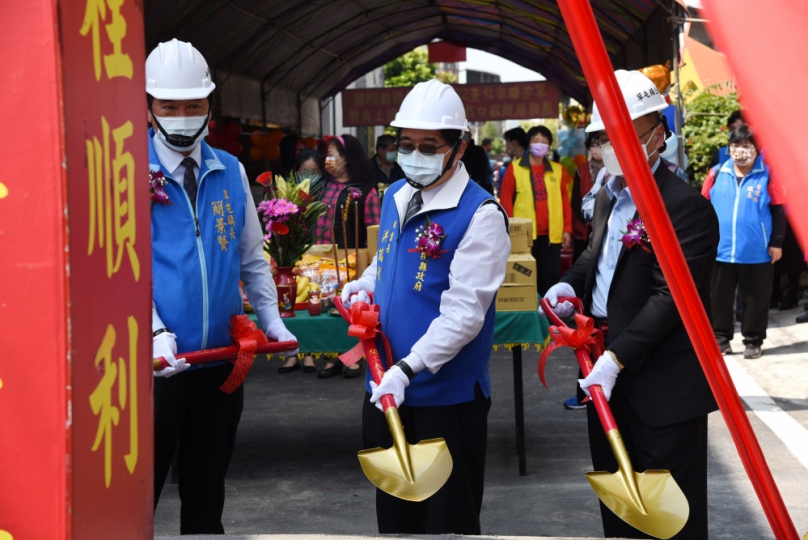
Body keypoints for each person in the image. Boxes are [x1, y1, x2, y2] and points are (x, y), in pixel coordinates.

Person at [542, 69, 719, 539]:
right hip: (604, 375)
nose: (611, 149)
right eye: (604, 138)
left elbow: (672, 297)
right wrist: (569, 285)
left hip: (662, 386)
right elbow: (594, 256)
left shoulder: (685, 207)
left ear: (657, 135)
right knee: (620, 510)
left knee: (671, 518)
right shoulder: (605, 195)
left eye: (626, 136)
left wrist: (617, 358)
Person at [340, 79, 510, 534]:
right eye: (406, 144)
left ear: (459, 147)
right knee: (395, 517)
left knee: (447, 520)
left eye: (429, 145)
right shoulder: (397, 195)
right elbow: (387, 259)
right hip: (385, 386)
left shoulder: (481, 214)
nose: (414, 154)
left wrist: (409, 369)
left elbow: (464, 314)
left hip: (444, 396)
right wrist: (364, 285)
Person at [146, 39, 297, 534]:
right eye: (170, 106)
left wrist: (271, 318)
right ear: (148, 107)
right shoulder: (123, 171)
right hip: (154, 368)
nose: (183, 116)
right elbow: (112, 267)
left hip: (220, 363)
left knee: (206, 492)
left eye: (194, 105)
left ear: (210, 106)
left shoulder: (229, 170)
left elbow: (252, 256)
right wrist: (150, 331)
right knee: (135, 497)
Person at [702, 125, 786, 359]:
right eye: (736, 145)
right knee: (719, 298)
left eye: (747, 146)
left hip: (757, 250)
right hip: (721, 250)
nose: (741, 151)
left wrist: (777, 242)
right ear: (729, 148)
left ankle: (753, 340)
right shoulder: (717, 173)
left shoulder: (769, 174)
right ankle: (721, 339)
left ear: (757, 150)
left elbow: (778, 211)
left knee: (756, 299)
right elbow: (703, 206)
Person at [314, 134, 381, 378]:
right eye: (327, 155)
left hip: (353, 261)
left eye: (334, 155)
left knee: (350, 308)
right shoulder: (322, 186)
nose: (329, 160)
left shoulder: (365, 191)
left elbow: (374, 231)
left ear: (348, 158)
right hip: (322, 261)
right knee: (327, 309)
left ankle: (352, 358)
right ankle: (331, 356)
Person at [500, 125, 574, 295]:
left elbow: (565, 202)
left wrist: (567, 229)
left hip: (551, 234)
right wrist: (508, 230)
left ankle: (549, 313)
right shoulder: (515, 168)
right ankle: (530, 313)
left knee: (550, 275)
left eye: (544, 141)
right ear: (528, 144)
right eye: (535, 141)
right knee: (524, 275)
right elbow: (506, 202)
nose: (539, 145)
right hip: (523, 234)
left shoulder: (558, 169)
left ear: (549, 146)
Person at [277, 148, 327, 375]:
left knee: (313, 304)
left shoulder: (327, 196)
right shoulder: (288, 196)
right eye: (304, 171)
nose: (309, 177)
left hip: (319, 257)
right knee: (292, 303)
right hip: (294, 255)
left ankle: (311, 354)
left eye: (314, 172)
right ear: (296, 172)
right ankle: (292, 353)